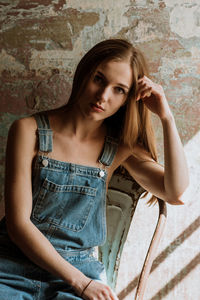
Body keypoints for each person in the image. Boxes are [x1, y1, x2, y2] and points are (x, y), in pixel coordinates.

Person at [0, 39, 189, 300]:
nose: (103, 96)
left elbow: (174, 190)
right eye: (99, 79)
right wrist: (81, 283)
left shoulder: (120, 146)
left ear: (128, 99)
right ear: (84, 73)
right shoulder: (27, 130)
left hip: (82, 271)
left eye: (119, 90)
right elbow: (18, 224)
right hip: (12, 267)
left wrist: (166, 116)